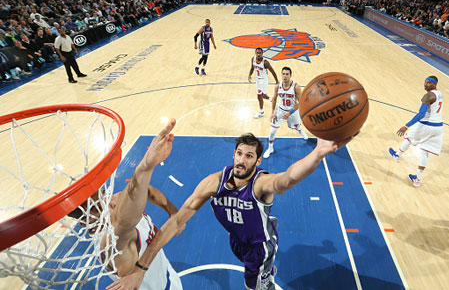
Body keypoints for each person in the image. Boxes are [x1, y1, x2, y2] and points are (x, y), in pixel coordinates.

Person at [107, 127, 357, 290]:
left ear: (258, 161)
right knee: (243, 253)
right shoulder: (213, 182)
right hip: (237, 240)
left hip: (259, 247)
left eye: (249, 156)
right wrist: (141, 269)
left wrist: (318, 153)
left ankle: (265, 279)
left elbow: (286, 179)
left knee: (254, 285)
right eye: (239, 153)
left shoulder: (260, 184)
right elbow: (174, 223)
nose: (241, 159)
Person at [70, 120, 183, 290]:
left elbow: (146, 190)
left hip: (168, 276)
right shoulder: (109, 244)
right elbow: (123, 224)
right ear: (83, 222)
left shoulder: (115, 200)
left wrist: (172, 211)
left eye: (100, 195)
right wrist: (145, 167)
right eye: (94, 207)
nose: (103, 204)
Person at [389, 76, 443, 187]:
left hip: (427, 124)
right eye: (425, 82)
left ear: (435, 84)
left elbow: (421, 114)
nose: (426, 84)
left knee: (408, 137)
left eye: (429, 83)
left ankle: (397, 155)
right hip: (439, 127)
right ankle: (417, 180)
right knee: (424, 151)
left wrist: (406, 125)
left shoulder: (428, 96)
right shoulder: (439, 93)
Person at [263, 67, 309, 159]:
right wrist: (272, 112)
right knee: (272, 132)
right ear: (281, 74)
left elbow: (301, 103)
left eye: (287, 74)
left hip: (292, 111)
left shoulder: (296, 87)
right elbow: (275, 99)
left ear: (290, 75)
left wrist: (290, 112)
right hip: (279, 111)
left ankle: (300, 131)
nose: (285, 76)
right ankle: (270, 148)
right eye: (283, 74)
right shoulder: (277, 86)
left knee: (296, 127)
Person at [248, 47, 279, 119]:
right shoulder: (253, 59)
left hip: (263, 80)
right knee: (262, 95)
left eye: (260, 53)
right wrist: (249, 75)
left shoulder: (265, 62)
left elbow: (272, 71)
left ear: (262, 53)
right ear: (255, 53)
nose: (258, 54)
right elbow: (252, 68)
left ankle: (261, 112)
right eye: (257, 53)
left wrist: (276, 80)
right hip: (257, 80)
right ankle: (272, 100)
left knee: (259, 95)